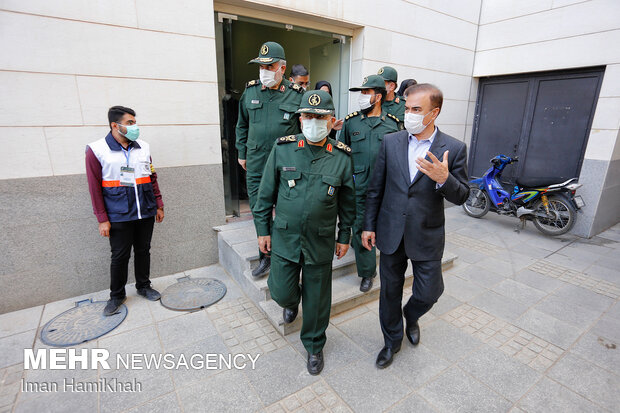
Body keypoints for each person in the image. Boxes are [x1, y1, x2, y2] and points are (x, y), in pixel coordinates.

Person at [362, 84, 470, 368]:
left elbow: (462, 196)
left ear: (434, 113)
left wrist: (444, 179)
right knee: (389, 293)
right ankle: (391, 341)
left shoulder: (455, 149)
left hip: (426, 234)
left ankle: (411, 315)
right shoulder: (391, 141)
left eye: (416, 110)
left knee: (429, 292)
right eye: (407, 108)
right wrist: (368, 225)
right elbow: (376, 187)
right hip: (390, 232)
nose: (408, 114)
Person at [253, 90, 355, 375]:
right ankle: (290, 301)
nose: (314, 122)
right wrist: (263, 230)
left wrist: (344, 236)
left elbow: (348, 202)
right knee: (280, 291)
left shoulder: (341, 157)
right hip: (285, 236)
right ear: (299, 119)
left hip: (320, 239)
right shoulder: (283, 149)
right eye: (308, 116)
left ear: (331, 120)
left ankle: (313, 345)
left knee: (318, 300)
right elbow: (265, 195)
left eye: (320, 117)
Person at [85, 106, 165, 316]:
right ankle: (117, 295)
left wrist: (159, 204)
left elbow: (152, 177)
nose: (134, 127)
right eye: (130, 123)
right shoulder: (96, 150)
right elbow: (94, 188)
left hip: (145, 210)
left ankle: (144, 286)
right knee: (119, 256)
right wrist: (102, 219)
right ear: (115, 125)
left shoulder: (143, 147)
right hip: (118, 213)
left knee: (143, 250)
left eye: (134, 122)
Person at [235, 41, 304, 278]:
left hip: (285, 166)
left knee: (285, 211)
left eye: (269, 66)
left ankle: (284, 255)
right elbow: (242, 124)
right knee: (259, 210)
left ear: (282, 69)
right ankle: (265, 256)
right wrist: (242, 152)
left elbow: (303, 133)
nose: (264, 72)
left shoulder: (297, 95)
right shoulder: (251, 91)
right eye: (260, 67)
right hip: (255, 162)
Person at [340, 74, 403, 293]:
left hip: (385, 190)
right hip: (358, 187)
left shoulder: (394, 125)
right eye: (361, 93)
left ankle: (389, 266)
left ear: (378, 97)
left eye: (366, 93)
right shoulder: (351, 122)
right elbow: (341, 155)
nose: (362, 96)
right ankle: (367, 272)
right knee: (360, 227)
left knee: (385, 228)